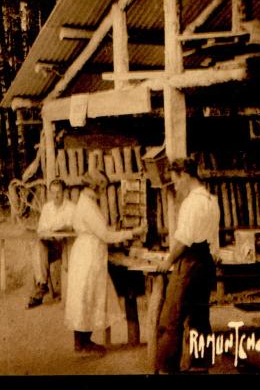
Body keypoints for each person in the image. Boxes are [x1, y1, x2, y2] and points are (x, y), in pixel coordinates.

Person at [65, 169, 146, 356]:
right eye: (102, 187)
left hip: (89, 252)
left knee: (89, 296)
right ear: (96, 186)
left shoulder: (88, 203)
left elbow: (100, 230)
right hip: (87, 255)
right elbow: (105, 235)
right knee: (85, 296)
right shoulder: (87, 206)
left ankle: (84, 341)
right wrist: (132, 233)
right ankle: (81, 344)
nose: (103, 191)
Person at [155, 157, 220, 374]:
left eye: (175, 181)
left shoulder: (192, 202)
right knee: (199, 317)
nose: (176, 186)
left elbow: (184, 240)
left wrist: (168, 261)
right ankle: (201, 366)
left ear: (184, 175)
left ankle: (166, 369)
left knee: (171, 318)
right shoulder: (212, 200)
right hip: (205, 263)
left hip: (190, 262)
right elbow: (213, 238)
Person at [26, 178, 76, 309]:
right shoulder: (47, 208)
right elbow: (41, 229)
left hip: (66, 246)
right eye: (53, 193)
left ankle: (41, 289)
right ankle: (42, 285)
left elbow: (72, 226)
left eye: (58, 192)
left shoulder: (71, 207)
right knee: (39, 246)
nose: (56, 196)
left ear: (64, 192)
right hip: (51, 245)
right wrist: (48, 233)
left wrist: (57, 228)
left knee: (42, 248)